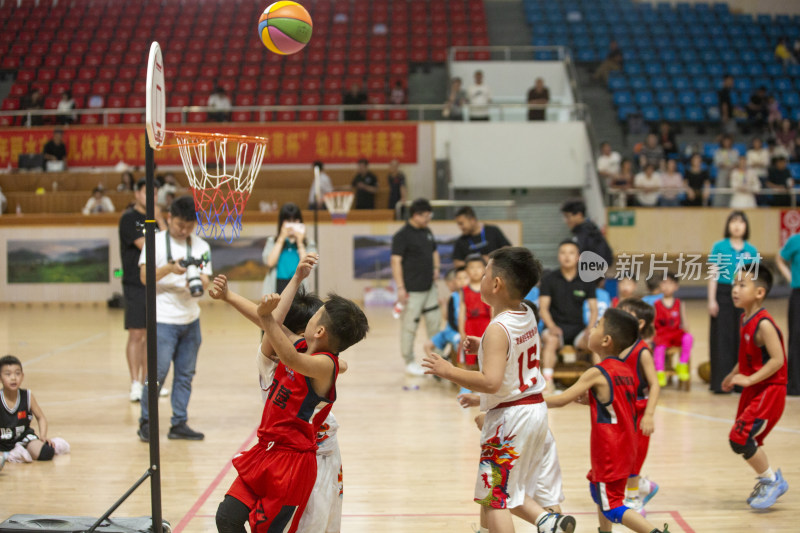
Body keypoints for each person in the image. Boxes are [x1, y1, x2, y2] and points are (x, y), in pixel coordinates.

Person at [422, 247, 577, 533]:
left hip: (511, 419)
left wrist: (448, 370)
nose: (480, 279)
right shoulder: (527, 313)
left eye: (484, 274)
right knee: (513, 489)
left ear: (496, 285)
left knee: (496, 497)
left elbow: (492, 381)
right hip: (534, 409)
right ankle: (547, 519)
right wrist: (483, 344)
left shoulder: (497, 329)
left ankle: (547, 522)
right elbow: (513, 353)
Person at [210, 256, 351, 533]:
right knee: (229, 518)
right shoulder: (273, 362)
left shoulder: (318, 361)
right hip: (279, 456)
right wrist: (230, 296)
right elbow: (270, 323)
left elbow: (335, 363)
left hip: (319, 458)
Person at [545, 309, 671, 533]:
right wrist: (592, 401)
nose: (591, 328)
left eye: (597, 325)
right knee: (598, 490)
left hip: (608, 448)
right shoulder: (625, 370)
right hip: (626, 445)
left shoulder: (597, 372)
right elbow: (615, 405)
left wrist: (524, 400)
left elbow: (561, 399)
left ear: (605, 340)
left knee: (612, 506)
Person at [137, 195, 213, 442]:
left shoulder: (201, 247)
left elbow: (206, 280)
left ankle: (179, 422)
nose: (184, 230)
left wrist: (200, 279)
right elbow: (144, 277)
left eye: (189, 226)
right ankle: (146, 422)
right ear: (169, 218)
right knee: (156, 374)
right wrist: (171, 268)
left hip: (191, 319)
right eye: (180, 224)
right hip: (163, 320)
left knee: (185, 374)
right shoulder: (155, 242)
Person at [723, 266, 789, 509]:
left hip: (769, 389)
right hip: (755, 388)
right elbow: (749, 357)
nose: (735, 290)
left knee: (740, 438)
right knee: (745, 439)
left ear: (759, 292)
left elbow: (778, 360)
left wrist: (750, 380)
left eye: (742, 285)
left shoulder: (764, 324)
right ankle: (769, 479)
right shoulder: (745, 318)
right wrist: (733, 374)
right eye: (734, 284)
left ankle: (771, 481)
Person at [119, 178, 165, 402]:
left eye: (155, 194)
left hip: (158, 285)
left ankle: (149, 382)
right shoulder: (129, 219)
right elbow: (149, 247)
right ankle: (135, 383)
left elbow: (169, 244)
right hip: (136, 284)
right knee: (136, 333)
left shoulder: (157, 219)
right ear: (137, 194)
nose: (152, 198)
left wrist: (161, 220)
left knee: (151, 335)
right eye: (148, 193)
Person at [616, 299, 661, 511]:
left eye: (625, 313)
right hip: (620, 409)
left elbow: (655, 385)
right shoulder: (616, 346)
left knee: (633, 457)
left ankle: (633, 500)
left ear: (640, 323)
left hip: (638, 410)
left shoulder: (642, 351)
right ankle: (644, 485)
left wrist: (650, 414)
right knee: (620, 455)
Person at [708, 211, 758, 393]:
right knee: (722, 338)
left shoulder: (751, 251)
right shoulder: (719, 247)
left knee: (742, 337)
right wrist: (712, 300)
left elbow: (754, 279)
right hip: (723, 292)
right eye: (733, 221)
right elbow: (713, 274)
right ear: (728, 225)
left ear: (746, 227)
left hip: (745, 294)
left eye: (741, 222)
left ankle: (740, 383)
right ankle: (721, 383)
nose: (737, 225)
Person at [540, 240, 598, 389]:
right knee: (551, 340)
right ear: (558, 256)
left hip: (579, 330)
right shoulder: (549, 279)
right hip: (556, 329)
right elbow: (543, 308)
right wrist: (552, 326)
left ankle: (600, 381)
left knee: (595, 341)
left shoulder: (587, 279)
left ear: (578, 257)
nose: (567, 256)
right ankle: (548, 381)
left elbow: (594, 309)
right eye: (563, 253)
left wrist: (590, 328)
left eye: (571, 253)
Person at [391, 199, 439, 376]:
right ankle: (409, 361)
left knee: (435, 323)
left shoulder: (427, 231)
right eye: (425, 216)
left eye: (429, 216)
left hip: (430, 288)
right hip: (412, 290)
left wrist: (436, 268)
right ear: (415, 215)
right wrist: (400, 287)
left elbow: (434, 252)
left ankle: (438, 360)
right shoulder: (402, 235)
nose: (428, 219)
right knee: (410, 326)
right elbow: (395, 262)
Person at [1, 355, 70, 465]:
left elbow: (41, 417)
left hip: (23, 439)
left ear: (23, 376)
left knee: (46, 453)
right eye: (8, 374)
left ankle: (50, 445)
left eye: (17, 373)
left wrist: (42, 436)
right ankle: (13, 454)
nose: (13, 378)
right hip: (2, 442)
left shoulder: (27, 396)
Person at [262, 203, 315, 295]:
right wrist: (281, 238)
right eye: (288, 220)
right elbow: (270, 262)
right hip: (277, 285)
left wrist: (300, 242)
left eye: (294, 220)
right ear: (281, 222)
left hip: (299, 285)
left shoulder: (308, 243)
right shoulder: (272, 241)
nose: (292, 224)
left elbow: (308, 266)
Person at [652, 273, 692, 387]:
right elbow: (653, 324)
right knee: (659, 347)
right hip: (662, 335)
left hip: (675, 334)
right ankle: (660, 372)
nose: (667, 286)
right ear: (660, 286)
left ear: (676, 286)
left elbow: (685, 322)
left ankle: (682, 364)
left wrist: (686, 330)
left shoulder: (679, 303)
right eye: (664, 283)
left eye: (670, 283)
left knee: (688, 338)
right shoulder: (656, 304)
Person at [424, 267, 469, 362]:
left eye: (465, 278)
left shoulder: (473, 296)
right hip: (450, 331)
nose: (462, 281)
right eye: (459, 279)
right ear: (455, 281)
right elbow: (450, 319)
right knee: (427, 346)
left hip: (462, 332)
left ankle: (453, 363)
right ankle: (440, 365)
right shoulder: (453, 297)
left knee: (461, 346)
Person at [777, 232, 800, 395]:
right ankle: (794, 384)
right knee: (797, 337)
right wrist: (790, 277)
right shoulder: (795, 241)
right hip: (798, 294)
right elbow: (780, 258)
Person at [459, 255, 491, 370]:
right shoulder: (464, 290)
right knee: (469, 357)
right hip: (470, 327)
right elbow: (461, 313)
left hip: (487, 325)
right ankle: (467, 385)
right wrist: (462, 331)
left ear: (484, 269)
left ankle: (488, 382)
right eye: (471, 267)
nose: (475, 270)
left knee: (489, 356)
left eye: (478, 267)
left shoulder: (489, 288)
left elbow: (493, 310)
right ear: (466, 270)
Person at [560, 198, 613, 266]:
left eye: (568, 217)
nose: (566, 221)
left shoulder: (590, 233)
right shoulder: (580, 232)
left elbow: (603, 258)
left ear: (579, 215)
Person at [713, 135, 740, 207]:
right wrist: (729, 166)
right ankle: (718, 207)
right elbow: (719, 163)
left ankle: (730, 206)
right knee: (721, 190)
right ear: (722, 142)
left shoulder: (734, 152)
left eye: (728, 141)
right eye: (725, 141)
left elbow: (737, 163)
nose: (727, 143)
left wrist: (730, 168)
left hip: (733, 174)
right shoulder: (718, 152)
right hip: (722, 174)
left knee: (731, 191)